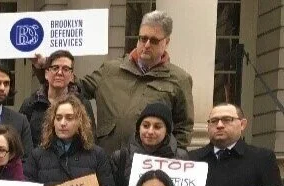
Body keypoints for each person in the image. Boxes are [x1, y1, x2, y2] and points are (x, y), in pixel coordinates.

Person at [31, 10, 193, 154]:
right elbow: (75, 88)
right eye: (142, 38)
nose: (146, 45)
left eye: (154, 40)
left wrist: (173, 157)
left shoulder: (179, 79)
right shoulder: (111, 69)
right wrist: (45, 68)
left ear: (167, 42)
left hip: (149, 164)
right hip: (107, 158)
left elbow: (184, 127)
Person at [109, 102, 189, 186]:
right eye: (146, 126)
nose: (150, 131)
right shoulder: (121, 157)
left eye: (157, 127)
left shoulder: (181, 157)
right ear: (139, 128)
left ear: (167, 131)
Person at [19, 49, 94, 149]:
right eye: (55, 68)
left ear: (72, 76)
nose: (59, 72)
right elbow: (19, 142)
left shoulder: (82, 104)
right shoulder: (30, 104)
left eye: (66, 69)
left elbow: (90, 141)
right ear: (46, 73)